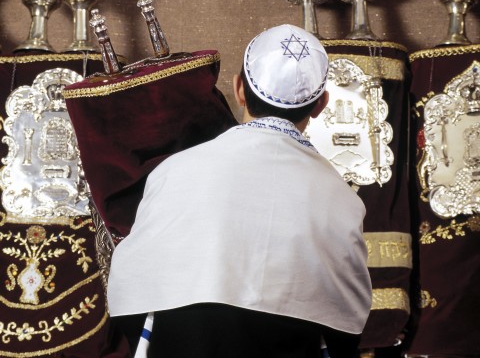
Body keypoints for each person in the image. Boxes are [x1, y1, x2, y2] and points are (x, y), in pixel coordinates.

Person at [107, 24, 372, 358]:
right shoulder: (342, 198)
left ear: (238, 89)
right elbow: (345, 318)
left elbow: (131, 289)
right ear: (321, 105)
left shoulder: (174, 170)